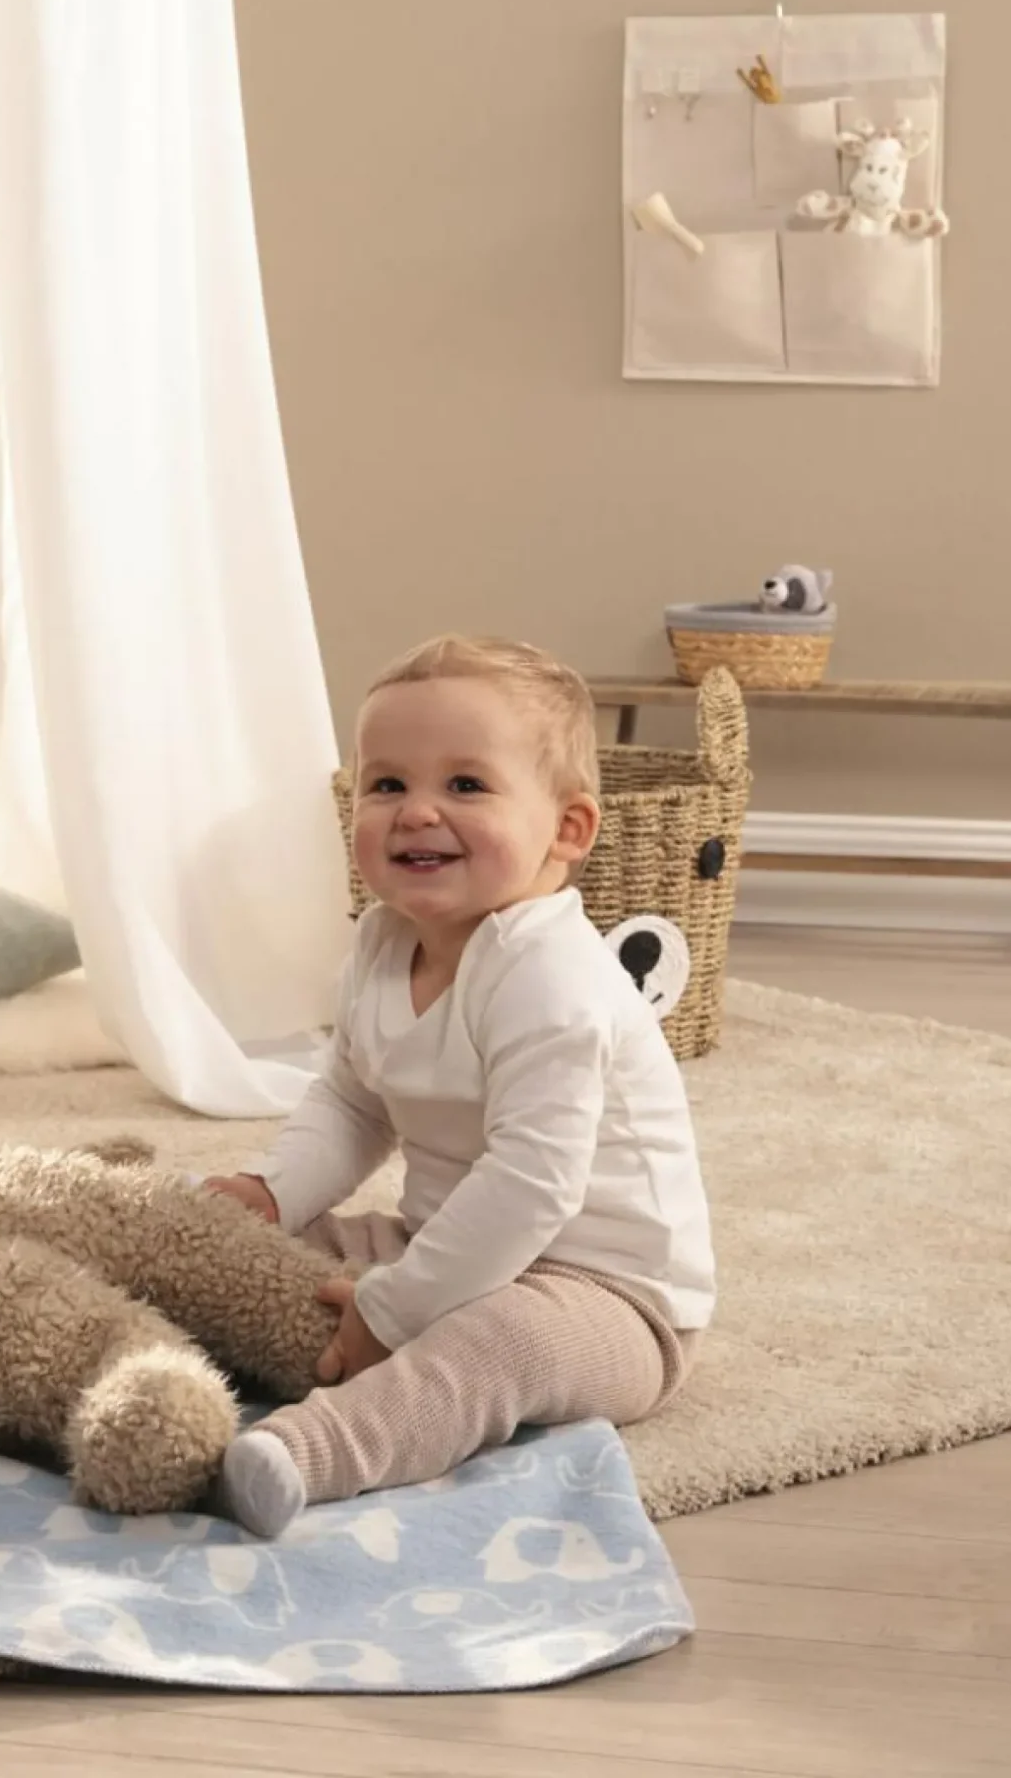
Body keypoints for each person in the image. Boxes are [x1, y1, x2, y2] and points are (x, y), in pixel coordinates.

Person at [205, 633, 714, 1537]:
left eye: (466, 785)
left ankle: (305, 1454)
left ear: (568, 830)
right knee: (247, 1245)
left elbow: (532, 1184)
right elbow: (352, 1102)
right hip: (445, 1241)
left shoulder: (549, 976)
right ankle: (139, 1345)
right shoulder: (380, 941)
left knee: (496, 1343)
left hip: (608, 1296)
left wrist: (395, 1310)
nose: (415, 812)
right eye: (386, 784)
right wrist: (274, 1194)